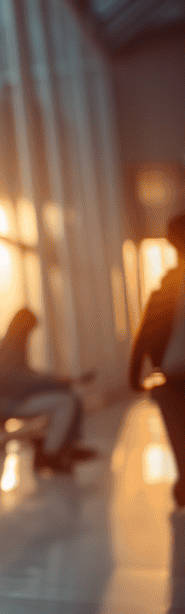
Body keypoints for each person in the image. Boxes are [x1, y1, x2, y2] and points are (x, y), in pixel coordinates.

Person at [0, 306, 98, 473]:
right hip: (8, 404)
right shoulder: (9, 350)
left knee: (70, 398)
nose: (30, 335)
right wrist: (52, 382)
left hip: (15, 399)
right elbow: (22, 380)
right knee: (67, 401)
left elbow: (26, 377)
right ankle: (50, 454)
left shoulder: (10, 348)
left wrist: (52, 380)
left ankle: (64, 447)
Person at [129, 213, 185, 510]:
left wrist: (134, 376)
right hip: (175, 373)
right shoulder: (168, 285)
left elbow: (146, 333)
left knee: (178, 427)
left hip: (175, 372)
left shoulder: (168, 285)